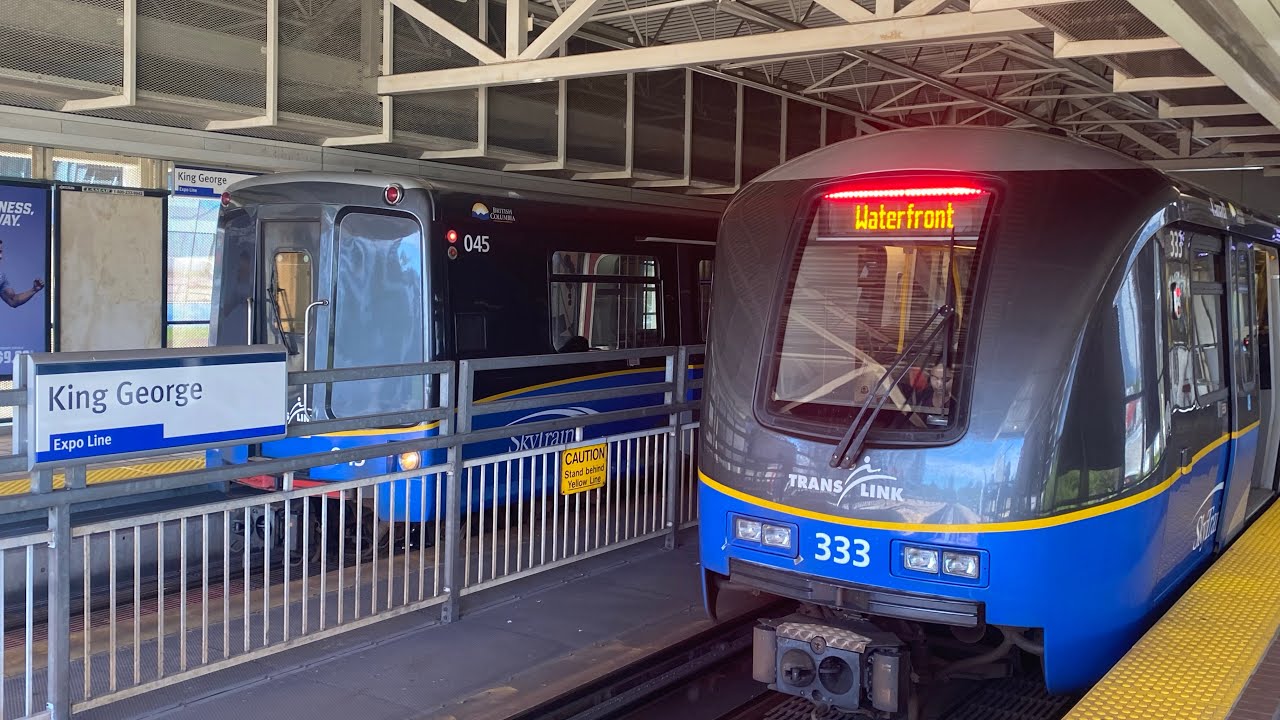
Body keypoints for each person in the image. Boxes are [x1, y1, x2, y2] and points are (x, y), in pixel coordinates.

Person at [0, 240, 44, 308]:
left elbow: (13, 300)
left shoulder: (1, 277)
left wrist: (34, 289)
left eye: (0, 252)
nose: (1, 256)